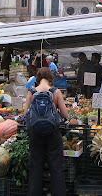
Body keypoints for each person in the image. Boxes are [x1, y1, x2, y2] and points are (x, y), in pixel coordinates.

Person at [24, 67, 68, 196]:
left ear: (37, 79)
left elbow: (26, 113)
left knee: (35, 167)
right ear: (51, 79)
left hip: (36, 134)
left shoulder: (31, 92)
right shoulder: (55, 92)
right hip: (53, 134)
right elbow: (65, 114)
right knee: (56, 167)